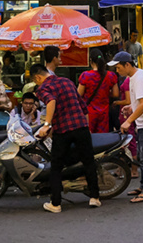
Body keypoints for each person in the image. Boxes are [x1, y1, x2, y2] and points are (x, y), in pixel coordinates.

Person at [31, 64, 100, 213]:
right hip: (81, 126)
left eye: (36, 81)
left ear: (38, 77)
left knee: (56, 167)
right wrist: (86, 127)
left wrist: (47, 125)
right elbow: (82, 106)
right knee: (89, 161)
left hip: (63, 130)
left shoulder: (43, 88)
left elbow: (51, 101)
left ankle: (55, 204)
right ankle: (95, 197)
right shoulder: (67, 81)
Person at [109, 51, 143, 203]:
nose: (117, 71)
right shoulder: (133, 77)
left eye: (118, 68)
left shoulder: (138, 78)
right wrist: (131, 107)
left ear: (127, 64)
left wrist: (128, 120)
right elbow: (142, 100)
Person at [77, 49, 119, 134]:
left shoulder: (85, 76)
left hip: (89, 113)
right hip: (104, 112)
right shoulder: (111, 75)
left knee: (89, 136)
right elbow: (116, 94)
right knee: (102, 138)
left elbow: (78, 95)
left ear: (91, 61)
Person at [114, 76, 138, 178]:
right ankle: (120, 168)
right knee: (124, 142)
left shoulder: (128, 80)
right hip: (125, 113)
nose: (118, 70)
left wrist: (116, 102)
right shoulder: (130, 80)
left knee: (130, 141)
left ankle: (134, 170)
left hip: (126, 114)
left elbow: (128, 100)